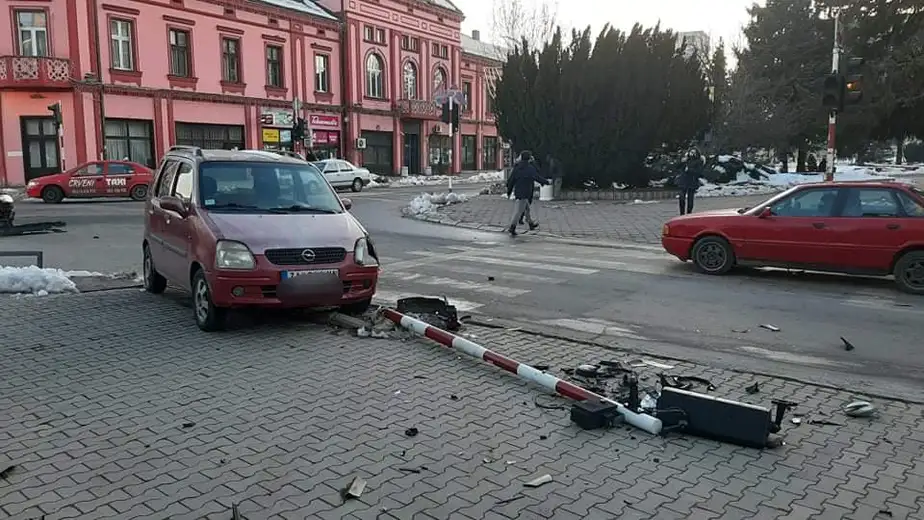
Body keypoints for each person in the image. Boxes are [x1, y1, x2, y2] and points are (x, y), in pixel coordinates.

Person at [506, 150, 550, 236]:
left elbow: (511, 180)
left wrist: (509, 191)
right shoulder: (530, 168)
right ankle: (512, 227)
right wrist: (546, 182)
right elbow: (537, 177)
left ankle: (531, 223)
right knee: (518, 211)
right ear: (529, 158)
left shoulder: (517, 167)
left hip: (519, 191)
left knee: (526, 209)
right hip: (526, 192)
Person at [676, 148, 704, 215]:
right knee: (681, 197)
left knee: (690, 199)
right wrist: (681, 162)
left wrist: (689, 170)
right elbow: (677, 167)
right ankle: (682, 213)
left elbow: (699, 172)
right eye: (691, 152)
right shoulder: (686, 159)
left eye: (694, 152)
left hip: (692, 181)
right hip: (684, 181)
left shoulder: (699, 161)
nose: (692, 154)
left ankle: (689, 213)